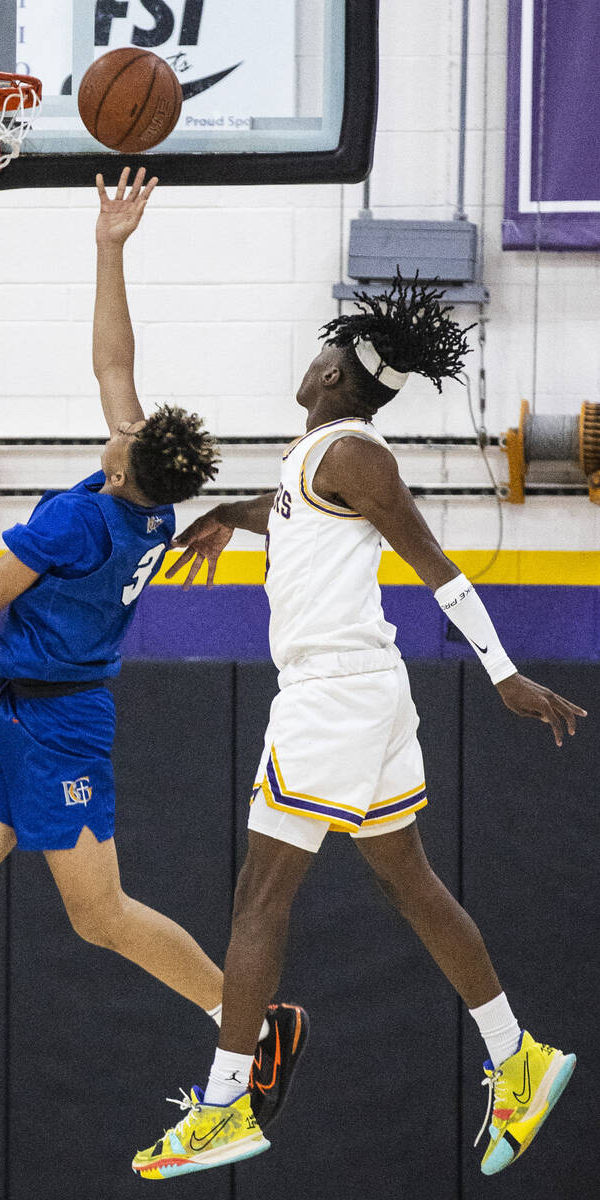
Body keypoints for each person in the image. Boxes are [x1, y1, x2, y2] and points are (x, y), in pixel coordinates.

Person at [0, 168, 308, 1148]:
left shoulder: (79, 522)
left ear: (125, 459)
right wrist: (108, 246)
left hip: (58, 724)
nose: (112, 424)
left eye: (120, 432)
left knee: (100, 915)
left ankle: (253, 1026)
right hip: (16, 716)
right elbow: (112, 361)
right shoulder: (148, 496)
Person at [130, 274, 586, 1180]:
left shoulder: (350, 452)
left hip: (331, 697)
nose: (311, 356)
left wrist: (501, 672)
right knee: (410, 884)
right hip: (355, 698)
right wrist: (231, 515)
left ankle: (223, 1106)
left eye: (323, 349)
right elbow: (295, 519)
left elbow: (435, 564)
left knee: (260, 898)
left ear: (337, 375)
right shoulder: (317, 459)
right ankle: (516, 1057)